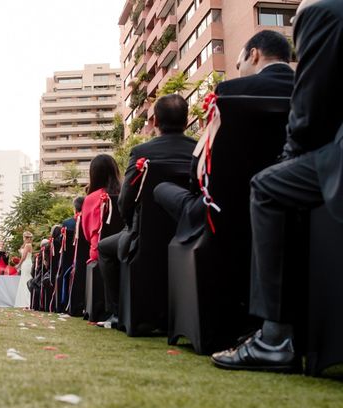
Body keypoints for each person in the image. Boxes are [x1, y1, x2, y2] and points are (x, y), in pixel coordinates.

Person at [211, 0, 343, 372]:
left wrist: (289, 160)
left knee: (269, 187)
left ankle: (275, 336)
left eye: (238, 61)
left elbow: (309, 116)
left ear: (253, 55)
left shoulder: (322, 11)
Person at [153, 32, 295, 242]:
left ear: (254, 55)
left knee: (162, 190)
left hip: (228, 207)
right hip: (300, 200)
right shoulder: (312, 87)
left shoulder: (230, 90)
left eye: (239, 65)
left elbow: (202, 164)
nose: (239, 72)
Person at [98, 94, 196, 327]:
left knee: (104, 248)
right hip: (192, 230)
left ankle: (117, 313)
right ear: (187, 120)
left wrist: (132, 224)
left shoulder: (142, 152)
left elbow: (125, 201)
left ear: (155, 122)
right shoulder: (198, 149)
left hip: (146, 235)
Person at [81, 155, 122, 264]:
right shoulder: (124, 194)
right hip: (125, 249)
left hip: (99, 253)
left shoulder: (90, 199)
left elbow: (86, 234)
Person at [14, 232, 34, 308]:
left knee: (26, 280)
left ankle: (27, 301)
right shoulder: (26, 245)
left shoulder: (28, 245)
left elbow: (24, 257)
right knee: (24, 280)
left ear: (25, 237)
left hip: (26, 263)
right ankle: (24, 300)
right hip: (26, 263)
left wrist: (18, 265)